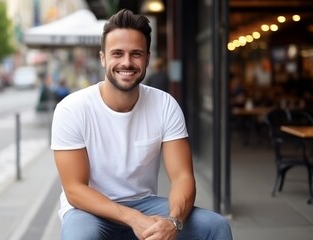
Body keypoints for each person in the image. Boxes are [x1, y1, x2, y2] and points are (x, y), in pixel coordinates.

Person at [51, 9, 233, 240]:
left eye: (136, 54)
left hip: (144, 204)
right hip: (88, 210)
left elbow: (182, 178)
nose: (127, 62)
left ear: (147, 58)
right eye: (117, 53)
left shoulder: (165, 104)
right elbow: (75, 190)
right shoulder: (72, 109)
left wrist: (173, 221)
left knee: (216, 227)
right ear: (103, 58)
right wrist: (131, 217)